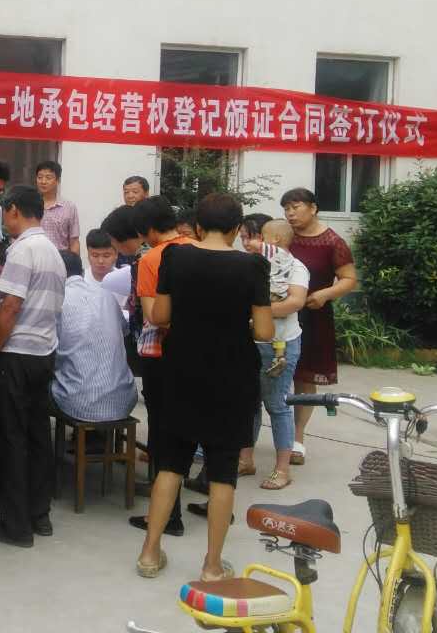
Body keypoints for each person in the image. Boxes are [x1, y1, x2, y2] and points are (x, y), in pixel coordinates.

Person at [136, 193, 273, 582]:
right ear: (236, 228)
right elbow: (264, 331)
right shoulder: (253, 266)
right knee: (222, 472)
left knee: (171, 465)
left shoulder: (174, 257)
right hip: (232, 376)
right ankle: (212, 566)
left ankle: (149, 553)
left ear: (197, 226)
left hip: (181, 370)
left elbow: (160, 314)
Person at [0, 185, 65, 548]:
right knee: (37, 434)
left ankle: (15, 526)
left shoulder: (21, 249)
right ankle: (39, 514)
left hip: (17, 354)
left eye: (4, 211)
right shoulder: (53, 252)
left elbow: (10, 306)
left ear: (13, 209)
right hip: (44, 353)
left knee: (9, 438)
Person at [128, 195, 194, 537]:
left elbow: (153, 314)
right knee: (188, 429)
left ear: (148, 229)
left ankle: (167, 514)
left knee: (161, 433)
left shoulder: (151, 258)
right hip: (198, 354)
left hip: (163, 356)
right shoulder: (198, 249)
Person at [281, 188, 357, 465]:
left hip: (313, 315)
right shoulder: (283, 236)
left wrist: (325, 294)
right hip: (279, 313)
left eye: (295, 207)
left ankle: (297, 438)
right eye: (286, 209)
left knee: (304, 378)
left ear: (313, 208)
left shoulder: (332, 241)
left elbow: (349, 279)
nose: (290, 213)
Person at [235, 219, 309, 491]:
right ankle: (245, 459)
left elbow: (295, 302)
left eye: (260, 236)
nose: (252, 242)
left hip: (280, 344)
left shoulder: (296, 267)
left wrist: (256, 312)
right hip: (251, 341)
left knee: (277, 404)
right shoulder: (255, 265)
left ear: (275, 240)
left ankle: (282, 469)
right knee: (248, 401)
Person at [51, 250, 138, 424]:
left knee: (36, 384)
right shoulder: (106, 295)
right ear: (82, 272)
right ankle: (95, 437)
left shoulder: (57, 300)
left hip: (77, 403)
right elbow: (124, 331)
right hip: (125, 399)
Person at [35, 160, 80, 253]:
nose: (43, 181)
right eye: (40, 177)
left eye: (48, 178)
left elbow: (74, 241)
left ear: (58, 180)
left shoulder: (69, 207)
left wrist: (75, 261)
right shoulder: (30, 205)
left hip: (61, 258)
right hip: (35, 257)